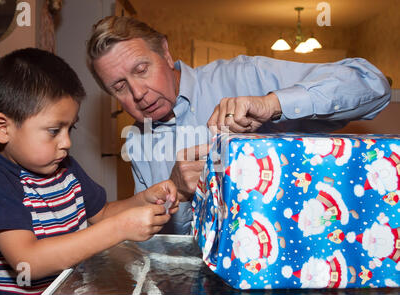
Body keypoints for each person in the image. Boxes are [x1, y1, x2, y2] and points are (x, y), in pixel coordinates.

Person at [86, 16, 391, 235]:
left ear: (165, 52)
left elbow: (373, 85)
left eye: (142, 69)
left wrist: (273, 104)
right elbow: (155, 238)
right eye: (120, 87)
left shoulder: (247, 76)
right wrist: (178, 193)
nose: (138, 93)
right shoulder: (138, 141)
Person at [0, 48, 178, 295]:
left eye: (71, 129)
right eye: (54, 131)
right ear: (3, 128)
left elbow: (102, 213)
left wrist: (143, 199)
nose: (66, 142)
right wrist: (119, 229)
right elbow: (29, 261)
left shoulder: (66, 168)